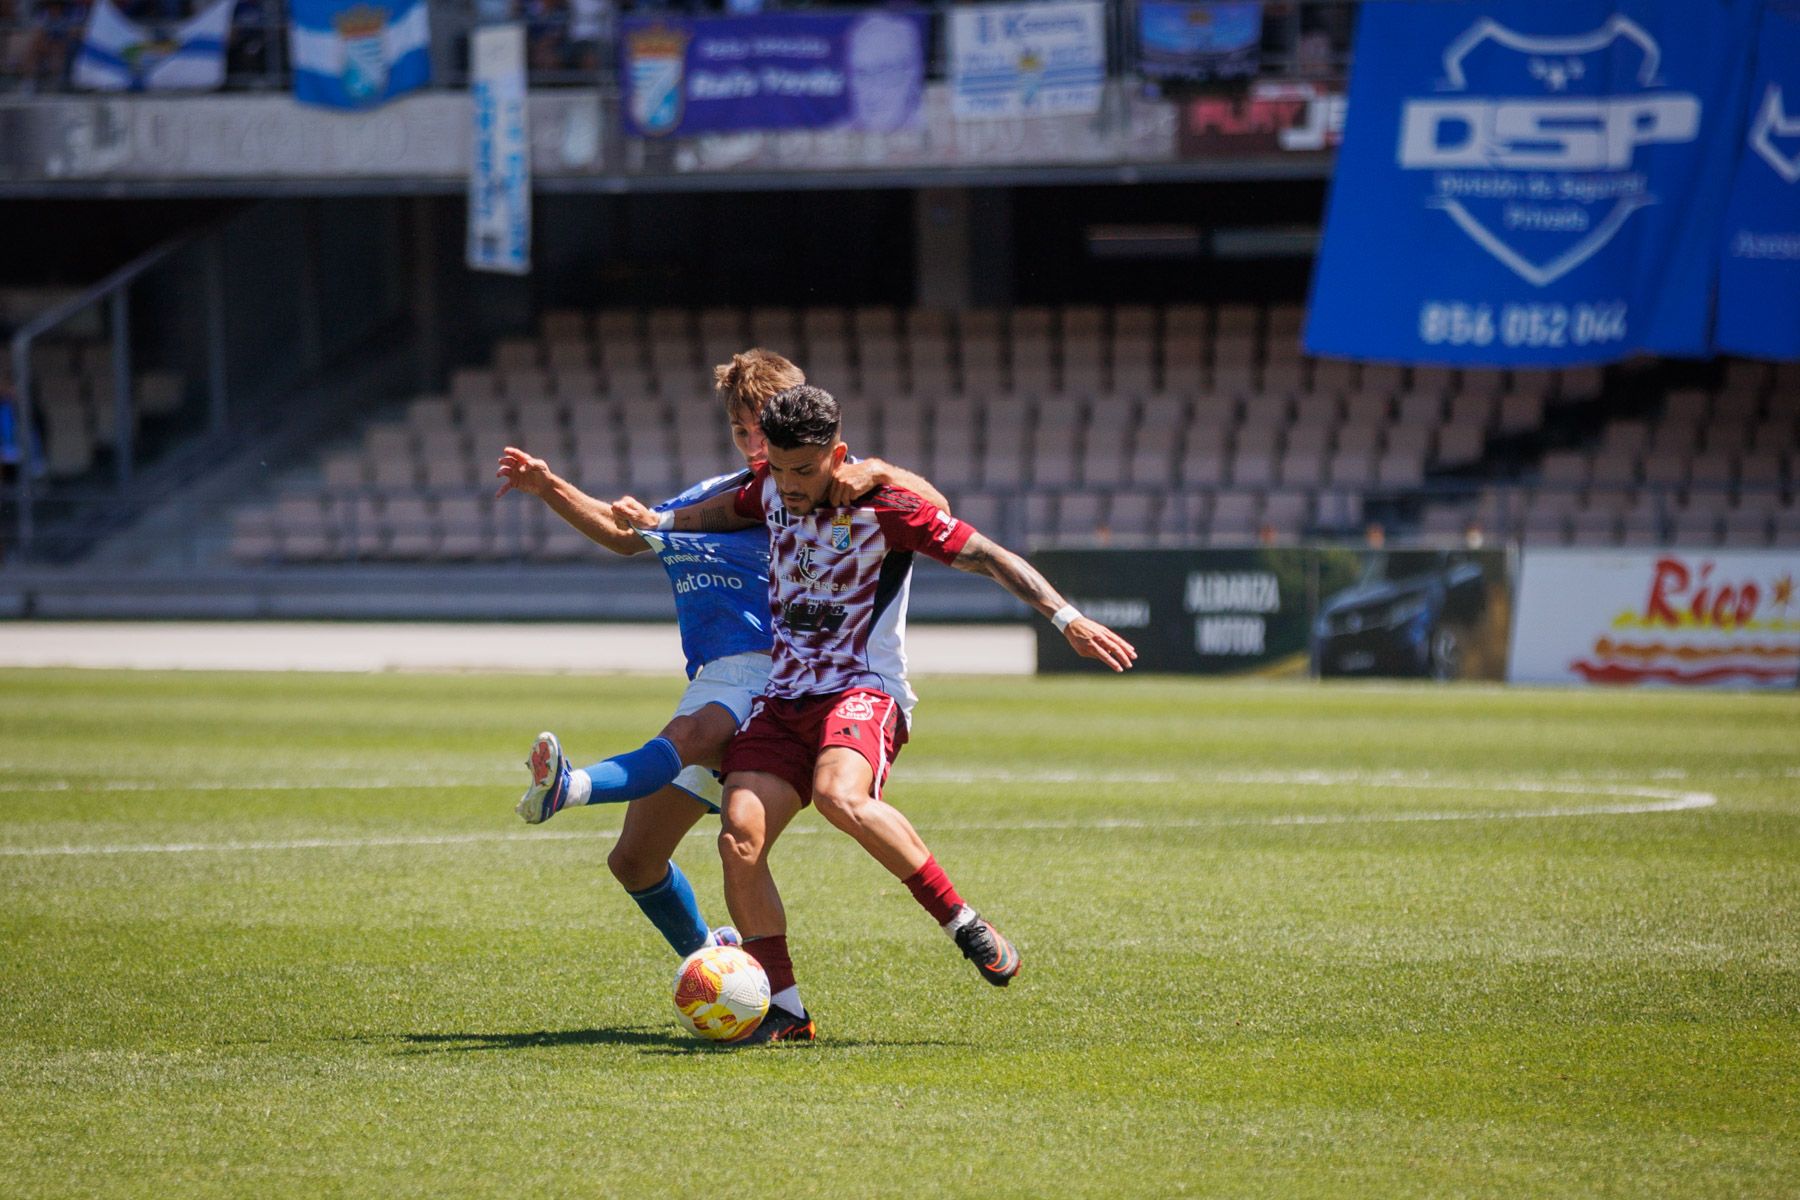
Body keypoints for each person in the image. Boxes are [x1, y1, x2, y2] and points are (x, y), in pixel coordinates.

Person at [615, 384, 1138, 1043]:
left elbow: (988, 555)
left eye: (803, 469)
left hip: (860, 691)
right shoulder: (768, 489)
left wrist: (1066, 617)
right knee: (738, 835)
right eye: (776, 467)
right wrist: (657, 523)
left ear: (837, 455)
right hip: (783, 702)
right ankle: (786, 1010)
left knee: (840, 797)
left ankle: (965, 924)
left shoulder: (883, 505)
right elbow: (721, 512)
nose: (788, 484)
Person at [497, 350, 946, 982]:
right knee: (634, 861)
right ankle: (719, 966)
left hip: (778, 681)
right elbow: (632, 535)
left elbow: (934, 504)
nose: (754, 442)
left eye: (763, 424)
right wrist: (549, 488)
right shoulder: (724, 497)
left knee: (695, 734)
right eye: (741, 430)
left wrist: (874, 466)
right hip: (718, 675)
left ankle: (568, 786)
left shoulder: (831, 484)